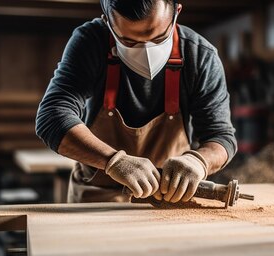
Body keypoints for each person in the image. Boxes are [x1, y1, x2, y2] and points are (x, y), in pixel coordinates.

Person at [36, 0, 236, 205]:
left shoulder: (200, 55)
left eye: (159, 38)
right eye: (129, 42)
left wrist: (199, 161)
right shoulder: (91, 41)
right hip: (98, 199)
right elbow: (52, 115)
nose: (146, 52)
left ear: (177, 11)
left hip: (168, 201)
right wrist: (113, 161)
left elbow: (220, 137)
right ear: (107, 21)